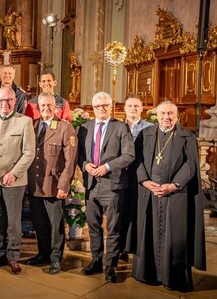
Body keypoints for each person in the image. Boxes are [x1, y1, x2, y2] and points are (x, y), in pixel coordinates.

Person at [132, 101, 206, 292]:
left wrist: (173, 185)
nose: (167, 117)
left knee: (175, 237)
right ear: (156, 115)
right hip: (149, 193)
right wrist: (144, 181)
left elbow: (191, 166)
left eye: (171, 113)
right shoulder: (145, 134)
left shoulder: (187, 137)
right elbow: (137, 160)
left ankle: (173, 278)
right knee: (148, 232)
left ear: (177, 115)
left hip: (175, 195)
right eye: (163, 113)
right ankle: (147, 274)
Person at [76, 91, 134, 283]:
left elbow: (129, 155)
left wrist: (107, 167)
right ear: (92, 108)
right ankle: (96, 260)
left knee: (113, 229)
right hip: (91, 185)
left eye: (105, 106)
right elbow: (79, 155)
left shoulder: (121, 128)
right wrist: (85, 165)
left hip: (113, 185)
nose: (101, 109)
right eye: (97, 106)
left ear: (112, 106)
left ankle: (111, 266)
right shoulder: (84, 128)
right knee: (93, 226)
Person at [0, 86, 36, 274]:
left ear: (14, 101)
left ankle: (13, 256)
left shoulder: (24, 122)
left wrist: (14, 173)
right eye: (1, 100)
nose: (4, 104)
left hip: (14, 181)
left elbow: (29, 153)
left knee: (13, 221)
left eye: (8, 100)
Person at [25, 92, 78, 275]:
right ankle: (43, 254)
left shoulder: (64, 128)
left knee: (56, 226)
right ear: (38, 107)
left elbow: (70, 161)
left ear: (55, 107)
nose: (46, 109)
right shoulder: (32, 126)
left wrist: (64, 185)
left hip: (54, 185)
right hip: (35, 184)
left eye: (49, 105)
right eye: (42, 106)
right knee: (40, 223)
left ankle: (56, 258)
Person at [120, 96, 153, 262]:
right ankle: (122, 248)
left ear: (142, 109)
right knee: (121, 212)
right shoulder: (118, 126)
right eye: (130, 106)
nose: (133, 109)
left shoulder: (150, 128)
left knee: (137, 212)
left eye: (136, 106)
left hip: (140, 177)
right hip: (121, 175)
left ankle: (138, 247)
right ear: (124, 108)